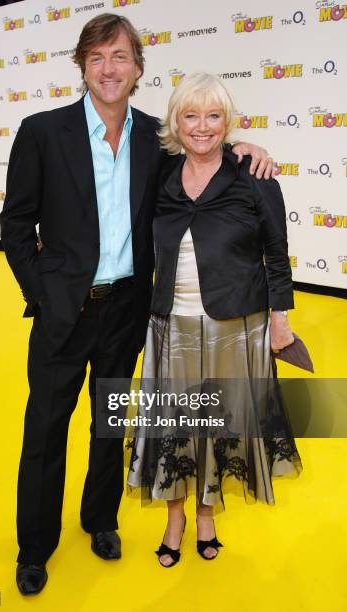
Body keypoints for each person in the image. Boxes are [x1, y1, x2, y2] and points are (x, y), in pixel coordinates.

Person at [0, 13, 276, 595]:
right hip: (63, 312)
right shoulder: (43, 131)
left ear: (137, 69)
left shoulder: (155, 139)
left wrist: (246, 147)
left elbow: (203, 153)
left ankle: (101, 520)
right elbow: (16, 223)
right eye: (97, 57)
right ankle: (35, 545)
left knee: (109, 424)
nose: (109, 68)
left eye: (120, 57)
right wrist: (42, 293)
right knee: (45, 429)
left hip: (127, 311)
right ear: (83, 66)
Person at [126, 73, 303, 568]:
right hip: (171, 326)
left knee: (220, 425)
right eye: (190, 115)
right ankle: (175, 516)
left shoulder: (253, 174)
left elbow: (278, 255)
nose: (201, 127)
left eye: (213, 116)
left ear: (228, 123)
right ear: (175, 122)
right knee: (173, 426)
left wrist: (281, 319)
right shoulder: (159, 174)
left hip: (235, 327)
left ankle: (206, 515)